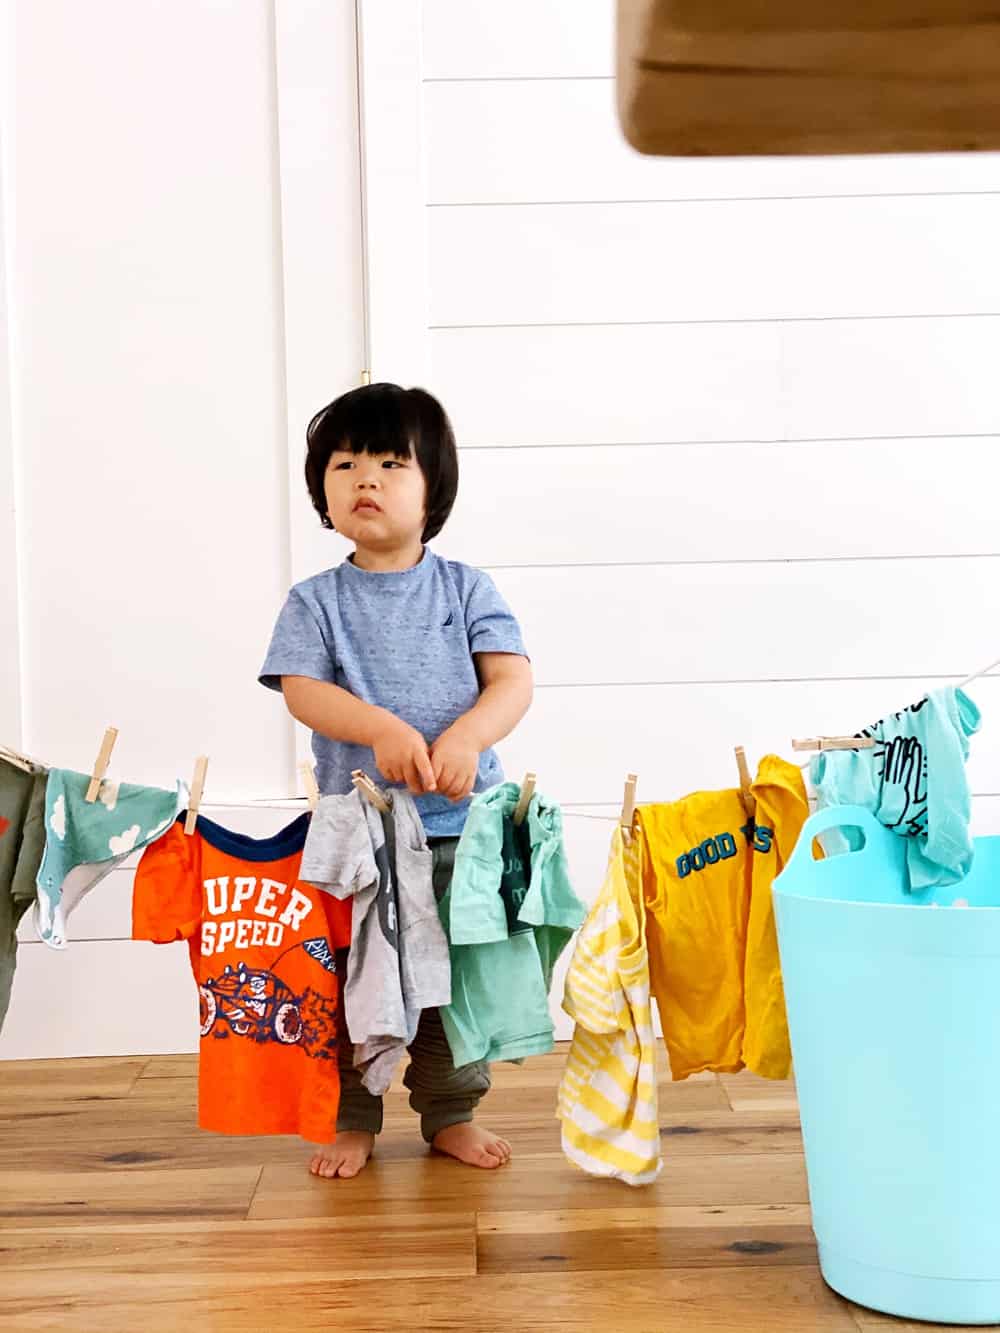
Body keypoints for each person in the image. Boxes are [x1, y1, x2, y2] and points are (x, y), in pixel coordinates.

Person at [259, 382, 534, 1178]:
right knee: (354, 987)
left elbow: (512, 680)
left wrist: (468, 736)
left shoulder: (466, 587)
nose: (365, 479)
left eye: (389, 462)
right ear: (322, 489)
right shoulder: (314, 601)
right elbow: (302, 690)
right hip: (358, 840)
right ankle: (353, 1115)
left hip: (459, 831)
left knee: (451, 990)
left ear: (433, 486)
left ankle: (451, 1111)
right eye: (345, 464)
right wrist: (379, 728)